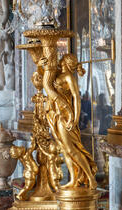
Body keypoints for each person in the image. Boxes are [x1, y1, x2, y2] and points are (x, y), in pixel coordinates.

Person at [41, 53, 97, 190]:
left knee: (72, 150)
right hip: (56, 114)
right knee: (65, 150)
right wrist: (42, 66)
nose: (60, 60)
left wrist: (75, 118)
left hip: (66, 116)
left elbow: (76, 98)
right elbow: (47, 84)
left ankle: (90, 178)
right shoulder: (58, 75)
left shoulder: (68, 77)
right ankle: (73, 180)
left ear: (66, 62)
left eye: (63, 58)